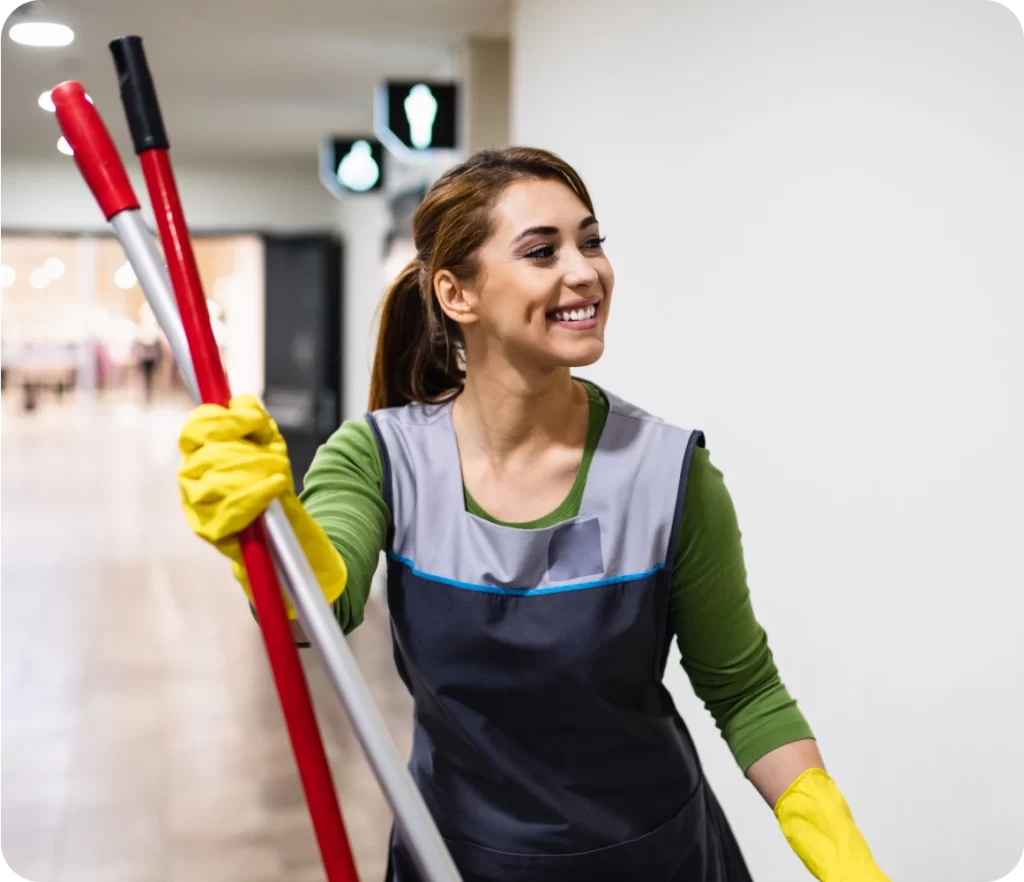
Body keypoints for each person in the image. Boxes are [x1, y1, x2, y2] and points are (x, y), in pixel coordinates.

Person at [176, 147, 890, 881]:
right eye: (543, 251)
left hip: (655, 860)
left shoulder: (667, 472)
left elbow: (746, 692)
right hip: (460, 861)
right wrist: (265, 527)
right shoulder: (383, 458)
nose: (584, 271)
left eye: (591, 241)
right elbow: (311, 618)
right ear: (458, 294)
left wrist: (842, 857)